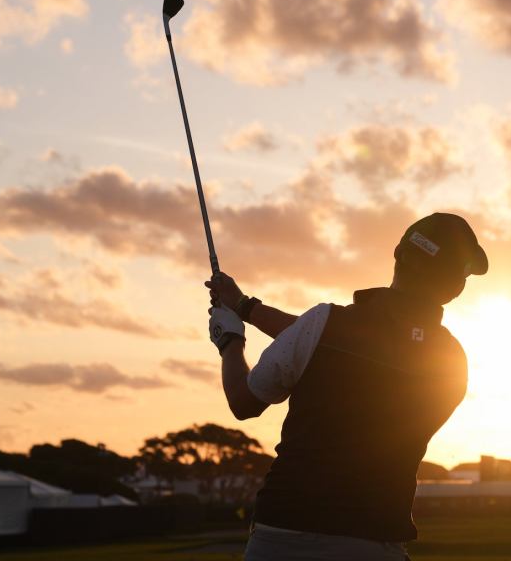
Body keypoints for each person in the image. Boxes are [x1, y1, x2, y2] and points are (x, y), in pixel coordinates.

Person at [204, 213, 487, 561]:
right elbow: (337, 344)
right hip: (375, 543)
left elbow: (244, 402)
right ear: (455, 286)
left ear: (399, 254)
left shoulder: (327, 325)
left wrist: (230, 339)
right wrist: (245, 306)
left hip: (283, 535)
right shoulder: (452, 362)